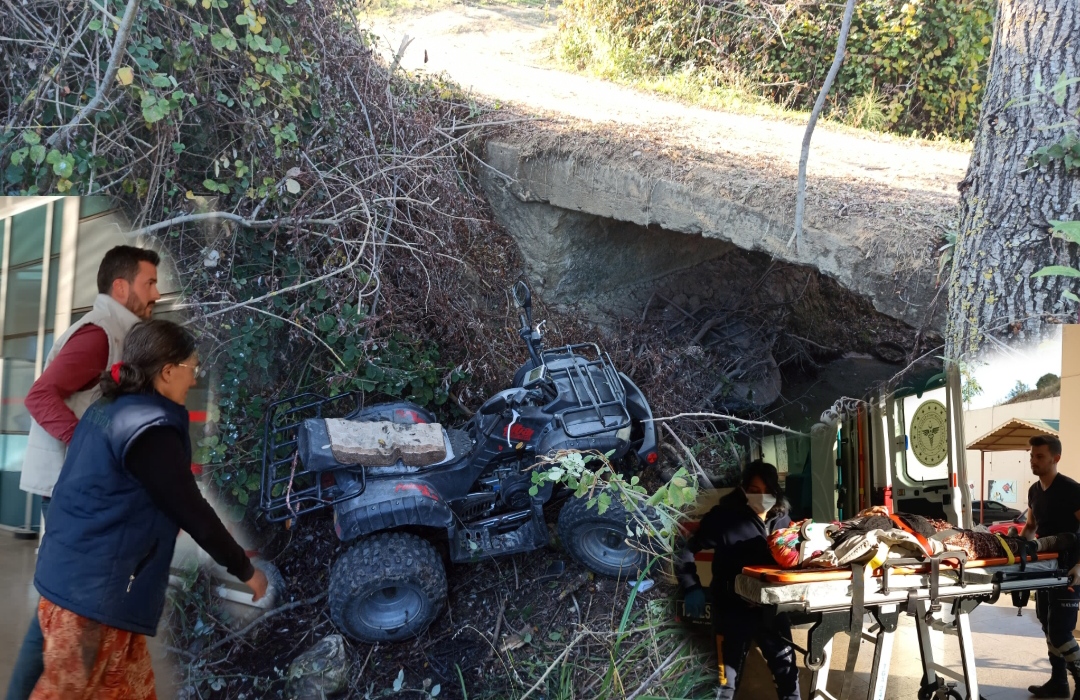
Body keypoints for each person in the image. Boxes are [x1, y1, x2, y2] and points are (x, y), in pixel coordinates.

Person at [29, 319, 269, 700]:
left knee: (129, 691)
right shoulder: (149, 429)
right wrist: (245, 570)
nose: (194, 381)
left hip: (80, 582)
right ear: (168, 371)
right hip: (92, 600)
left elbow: (107, 490)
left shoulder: (107, 407)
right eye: (192, 369)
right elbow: (193, 512)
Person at [6, 245, 162, 700]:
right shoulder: (98, 335)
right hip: (71, 493)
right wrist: (89, 451)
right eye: (149, 282)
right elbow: (40, 397)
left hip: (82, 493)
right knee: (66, 606)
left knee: (62, 605)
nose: (156, 292)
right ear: (121, 287)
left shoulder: (120, 334)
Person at [676, 461, 801, 700]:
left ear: (776, 492)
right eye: (753, 489)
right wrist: (691, 586)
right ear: (743, 489)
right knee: (724, 685)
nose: (760, 496)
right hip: (732, 613)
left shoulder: (783, 521)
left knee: (788, 679)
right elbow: (685, 549)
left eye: (766, 490)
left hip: (772, 612)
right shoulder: (725, 518)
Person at [1023, 435, 1080, 699]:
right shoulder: (1034, 491)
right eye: (1032, 455)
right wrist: (1015, 549)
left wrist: (1079, 565)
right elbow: (1031, 528)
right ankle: (1059, 682)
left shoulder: (1072, 490)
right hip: (1044, 568)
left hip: (1069, 567)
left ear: (1055, 458)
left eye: (1039, 456)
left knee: (1060, 629)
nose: (1033, 460)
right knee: (1047, 624)